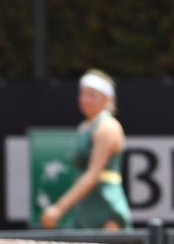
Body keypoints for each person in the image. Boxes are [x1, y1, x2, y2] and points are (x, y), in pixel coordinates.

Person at [41, 70, 131, 231]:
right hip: (83, 209)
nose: (84, 100)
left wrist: (59, 208)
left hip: (105, 207)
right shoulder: (84, 127)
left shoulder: (108, 127)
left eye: (92, 95)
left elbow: (93, 174)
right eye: (82, 94)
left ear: (107, 98)